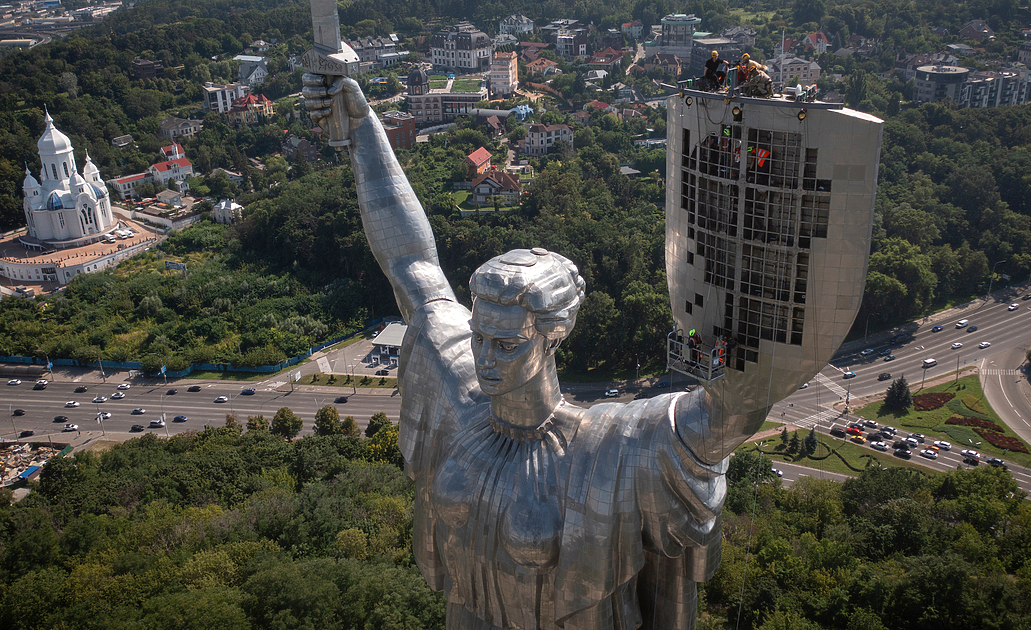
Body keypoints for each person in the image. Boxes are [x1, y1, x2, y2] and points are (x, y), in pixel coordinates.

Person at [303, 73, 821, 630]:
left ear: (553, 336)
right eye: (478, 336)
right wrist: (361, 128)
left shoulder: (608, 449)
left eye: (506, 343)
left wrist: (767, 248)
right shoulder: (458, 399)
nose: (483, 355)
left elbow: (730, 413)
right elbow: (412, 265)